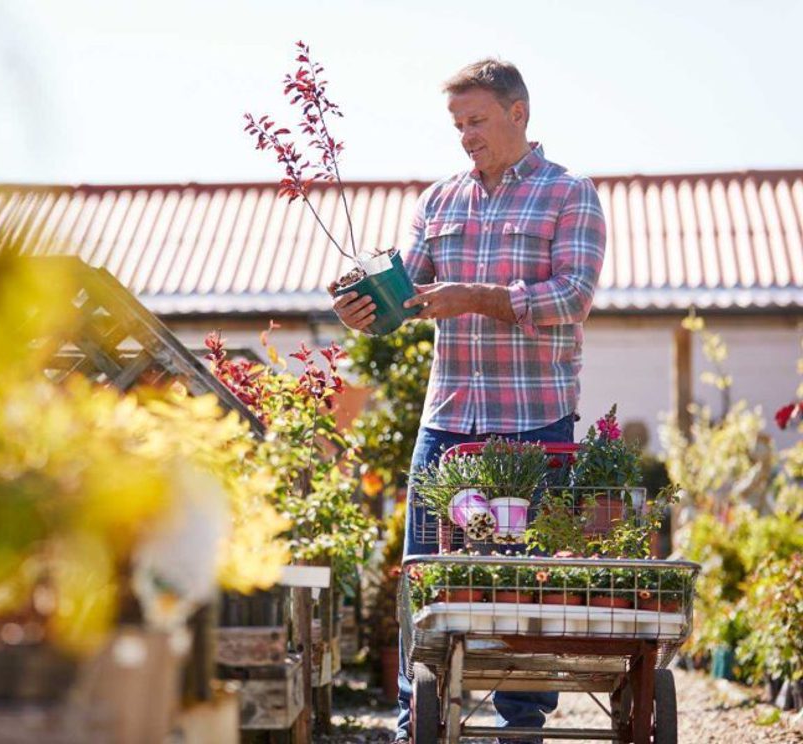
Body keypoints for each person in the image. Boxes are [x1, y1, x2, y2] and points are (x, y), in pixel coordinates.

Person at [331, 58, 606, 743]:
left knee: (526, 581)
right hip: (447, 418)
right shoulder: (440, 200)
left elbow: (573, 297)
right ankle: (414, 722)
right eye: (458, 124)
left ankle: (520, 728)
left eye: (477, 120)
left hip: (535, 420)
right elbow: (413, 292)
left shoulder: (570, 194)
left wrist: (478, 298)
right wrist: (365, 304)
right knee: (423, 578)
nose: (466, 137)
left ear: (519, 113)